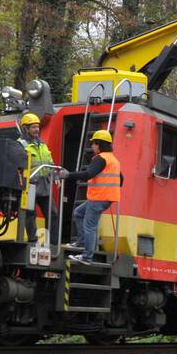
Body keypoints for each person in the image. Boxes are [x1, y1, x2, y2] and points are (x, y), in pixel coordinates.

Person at [56, 129, 121, 263]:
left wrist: (68, 175)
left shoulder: (100, 158)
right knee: (79, 213)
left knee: (89, 226)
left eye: (94, 144)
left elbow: (88, 174)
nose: (92, 146)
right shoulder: (113, 160)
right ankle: (81, 242)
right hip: (106, 198)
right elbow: (122, 179)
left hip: (98, 197)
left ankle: (87, 257)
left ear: (99, 144)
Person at [20, 112, 54, 243]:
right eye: (33, 127)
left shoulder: (43, 145)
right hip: (30, 186)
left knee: (53, 214)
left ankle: (52, 241)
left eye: (37, 127)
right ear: (25, 129)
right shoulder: (21, 145)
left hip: (44, 185)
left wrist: (55, 175)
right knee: (30, 214)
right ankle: (33, 240)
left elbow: (50, 162)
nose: (37, 130)